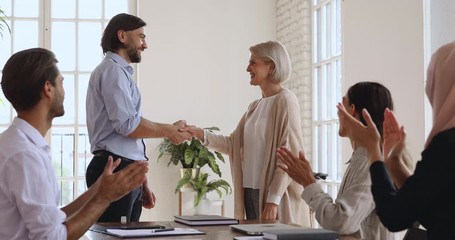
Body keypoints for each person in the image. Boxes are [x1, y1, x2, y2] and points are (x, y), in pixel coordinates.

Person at [0, 48, 148, 240]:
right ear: (48, 89)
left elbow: (53, 218)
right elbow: (52, 237)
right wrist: (105, 197)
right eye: (61, 81)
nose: (64, 89)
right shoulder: (24, 155)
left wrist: (99, 189)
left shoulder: (17, 143)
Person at [182, 41, 310, 225]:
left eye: (253, 63)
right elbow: (232, 144)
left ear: (271, 66)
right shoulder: (254, 106)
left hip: (274, 196)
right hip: (250, 191)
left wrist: (272, 201)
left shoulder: (286, 101)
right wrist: (200, 134)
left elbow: (288, 156)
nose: (247, 68)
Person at [336, 41, 455, 239]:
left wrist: (375, 150)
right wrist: (394, 164)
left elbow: (395, 217)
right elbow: (431, 211)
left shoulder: (446, 145)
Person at [85, 13, 191, 223]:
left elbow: (128, 131)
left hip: (123, 168)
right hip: (114, 169)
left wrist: (141, 181)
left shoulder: (120, 73)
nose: (145, 45)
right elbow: (128, 125)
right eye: (141, 37)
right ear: (122, 36)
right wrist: (169, 130)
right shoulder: (112, 72)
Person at [276, 82, 410, 239]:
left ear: (352, 111)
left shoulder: (370, 163)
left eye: (342, 104)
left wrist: (308, 182)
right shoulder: (362, 159)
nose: (338, 112)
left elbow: (341, 222)